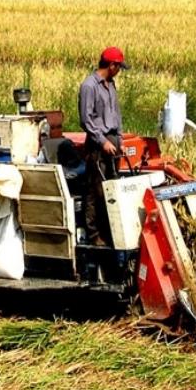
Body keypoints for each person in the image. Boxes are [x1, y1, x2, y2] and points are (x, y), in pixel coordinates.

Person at [78, 48, 129, 247]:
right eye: (119, 67)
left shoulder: (111, 85)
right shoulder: (89, 86)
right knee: (96, 191)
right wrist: (102, 141)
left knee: (112, 189)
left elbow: (117, 115)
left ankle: (111, 232)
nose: (119, 71)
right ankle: (94, 236)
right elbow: (86, 119)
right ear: (112, 65)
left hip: (113, 141)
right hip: (98, 144)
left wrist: (120, 141)